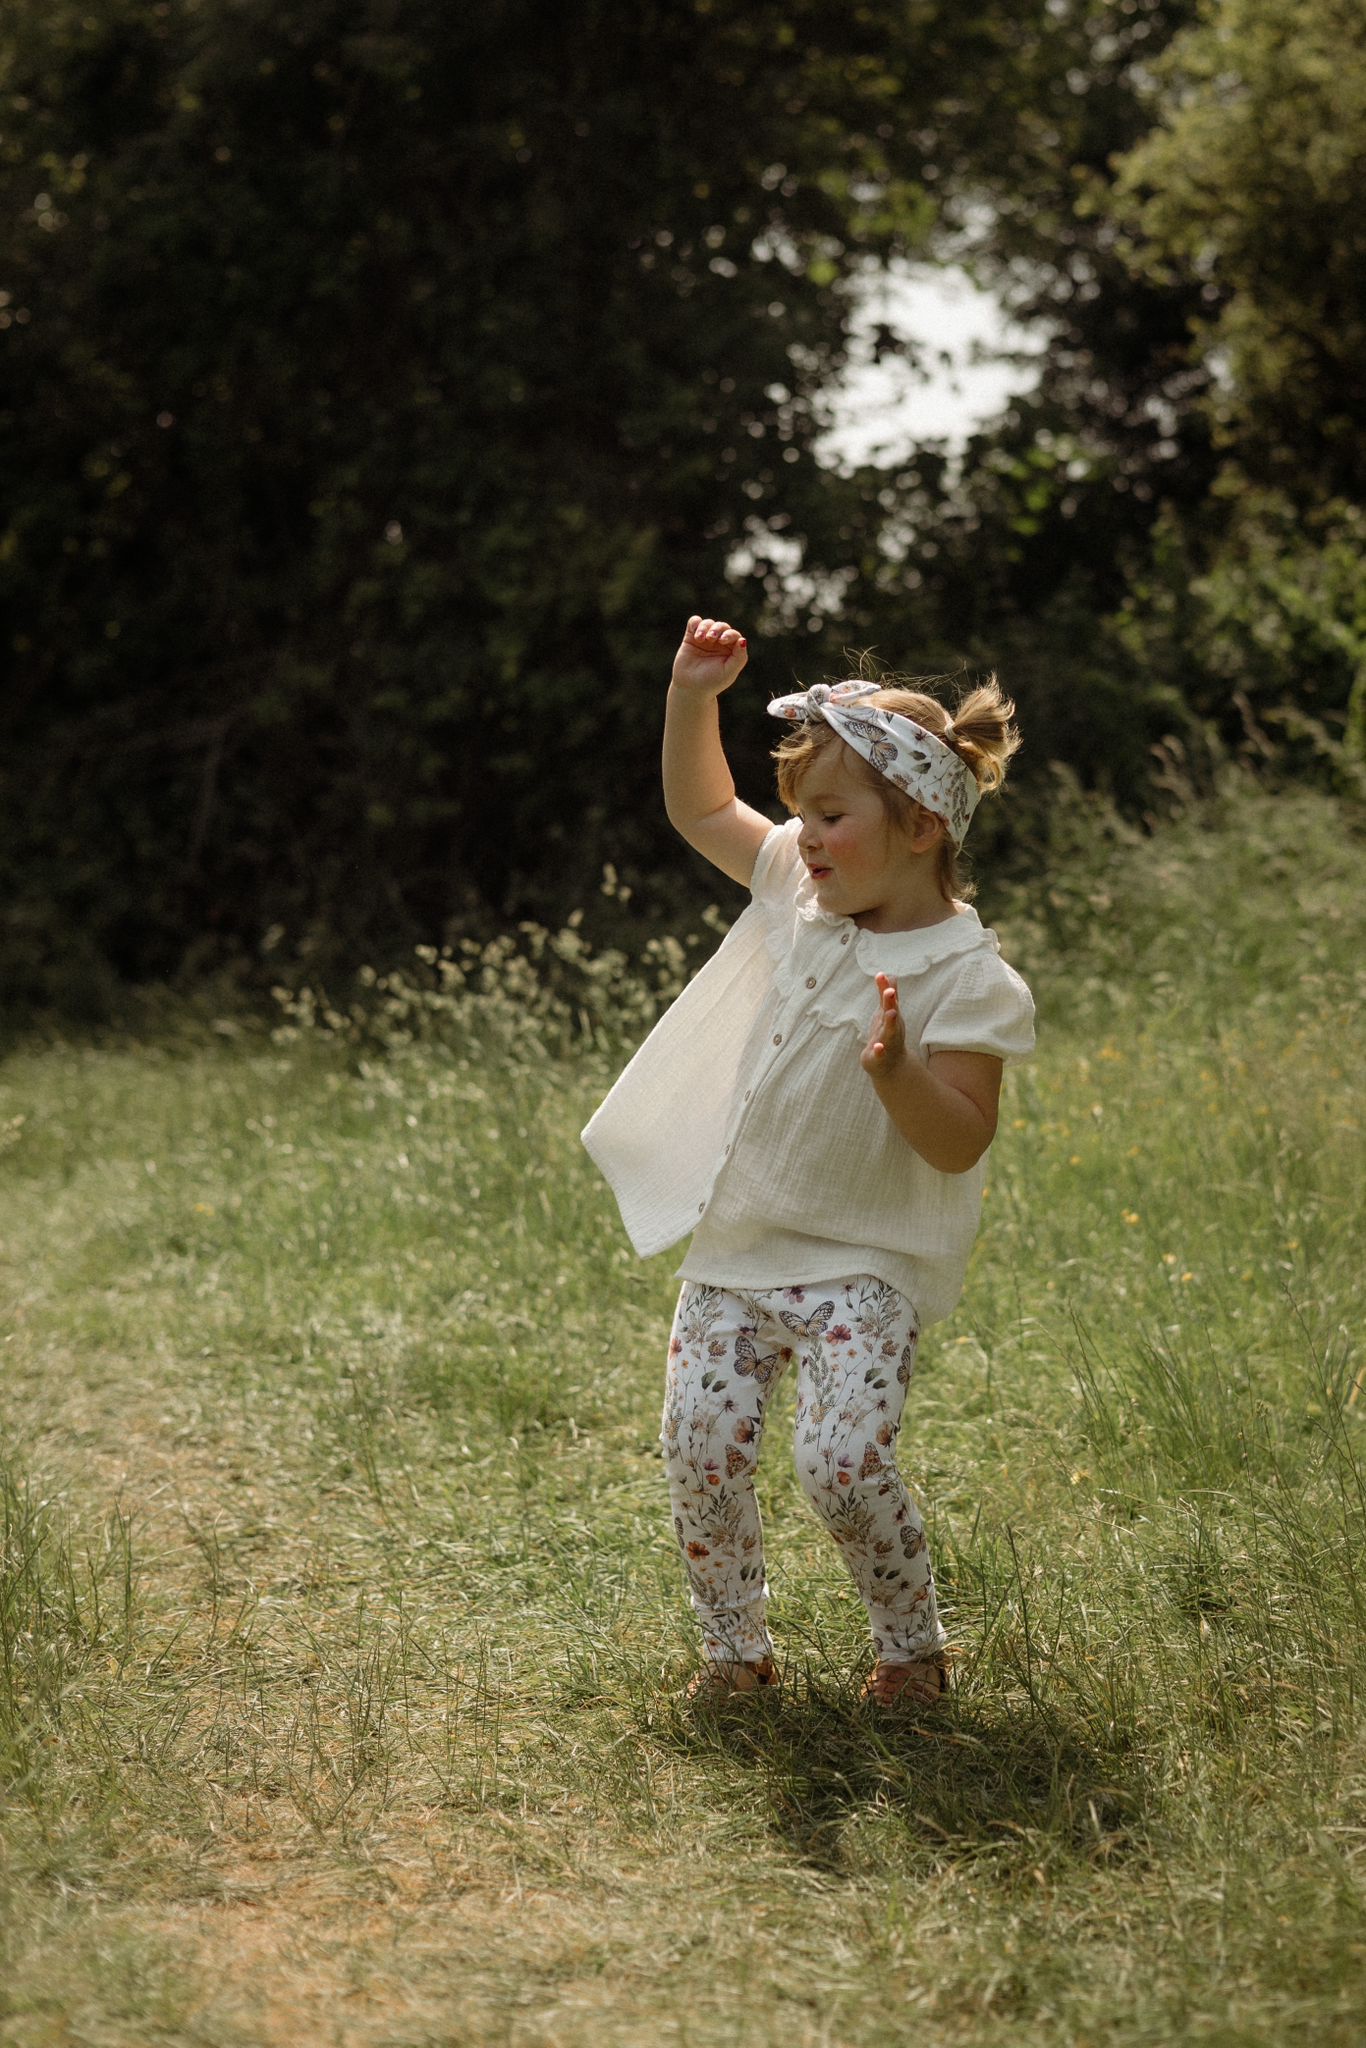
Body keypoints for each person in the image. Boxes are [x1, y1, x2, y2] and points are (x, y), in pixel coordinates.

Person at [582, 615, 1035, 1709]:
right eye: (801, 816)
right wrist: (695, 693)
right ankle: (735, 1652)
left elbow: (960, 1135)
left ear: (922, 824)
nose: (809, 836)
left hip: (864, 1263)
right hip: (738, 1244)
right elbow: (698, 807)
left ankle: (909, 1647)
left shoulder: (967, 977)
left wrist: (896, 1075)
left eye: (832, 815)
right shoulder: (798, 889)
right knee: (698, 1448)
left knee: (839, 1462)